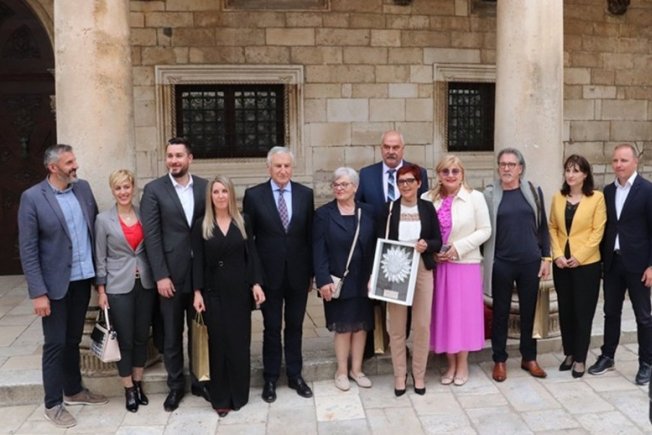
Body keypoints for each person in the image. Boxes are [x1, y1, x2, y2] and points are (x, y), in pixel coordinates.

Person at [18, 144, 107, 429]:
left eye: (74, 160)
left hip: (82, 279)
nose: (75, 166)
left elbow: (94, 232)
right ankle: (53, 404)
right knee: (55, 343)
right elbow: (28, 249)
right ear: (53, 167)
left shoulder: (83, 189)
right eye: (69, 162)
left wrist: (100, 280)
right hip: (54, 286)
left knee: (72, 340)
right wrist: (38, 293)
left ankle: (74, 390)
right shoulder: (32, 198)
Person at [140, 137, 209, 411]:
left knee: (200, 330)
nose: (174, 161)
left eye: (179, 155)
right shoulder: (154, 190)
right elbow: (151, 236)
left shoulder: (204, 187)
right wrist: (160, 275)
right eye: (170, 156)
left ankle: (200, 381)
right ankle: (175, 385)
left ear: (190, 158)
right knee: (171, 333)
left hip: (199, 276)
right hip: (170, 275)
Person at [243, 146, 315, 403]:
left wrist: (312, 274)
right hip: (268, 276)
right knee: (272, 327)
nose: (283, 170)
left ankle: (295, 375)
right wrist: (255, 279)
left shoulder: (305, 194)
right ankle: (271, 378)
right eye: (278, 166)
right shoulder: (254, 196)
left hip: (298, 274)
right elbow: (249, 242)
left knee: (295, 326)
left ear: (292, 168)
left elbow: (310, 237)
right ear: (269, 168)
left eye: (287, 166)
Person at [192, 176, 266, 417]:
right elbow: (198, 261)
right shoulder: (202, 224)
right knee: (218, 344)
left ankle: (239, 395)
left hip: (239, 292)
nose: (220, 196)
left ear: (231, 194)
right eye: (216, 192)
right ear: (210, 196)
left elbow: (251, 255)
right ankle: (221, 398)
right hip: (213, 292)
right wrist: (197, 292)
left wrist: (256, 283)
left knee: (239, 343)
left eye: (224, 191)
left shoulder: (243, 221)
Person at [356, 130, 429, 356]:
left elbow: (424, 207)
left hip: (407, 249)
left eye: (395, 147)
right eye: (387, 147)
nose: (391, 151)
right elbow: (359, 207)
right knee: (373, 295)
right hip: (375, 245)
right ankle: (374, 342)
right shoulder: (366, 174)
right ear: (381, 149)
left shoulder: (418, 173)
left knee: (404, 299)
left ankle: (400, 343)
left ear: (403, 149)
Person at [483, 148, 551, 382]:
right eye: (502, 164)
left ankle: (529, 357)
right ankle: (499, 360)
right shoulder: (489, 194)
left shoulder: (533, 192)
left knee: (529, 312)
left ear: (520, 168)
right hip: (502, 263)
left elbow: (543, 227)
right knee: (500, 313)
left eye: (511, 164)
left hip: (530, 262)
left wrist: (546, 257)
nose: (506, 168)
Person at [423, 155, 491, 386]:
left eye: (455, 171)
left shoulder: (475, 198)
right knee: (444, 316)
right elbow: (422, 230)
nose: (450, 175)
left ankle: (462, 365)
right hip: (437, 266)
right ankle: (450, 364)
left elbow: (485, 230)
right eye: (445, 171)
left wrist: (458, 248)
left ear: (462, 174)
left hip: (464, 264)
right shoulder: (427, 198)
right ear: (438, 175)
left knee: (462, 317)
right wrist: (433, 252)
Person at [588, 143, 652, 385]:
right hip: (613, 263)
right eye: (615, 160)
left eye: (624, 160)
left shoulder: (647, 190)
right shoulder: (607, 191)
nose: (618, 165)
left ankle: (646, 363)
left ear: (635, 162)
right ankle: (607, 356)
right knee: (610, 312)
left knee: (643, 316)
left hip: (639, 265)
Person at [95, 170, 156, 412]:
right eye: (118, 188)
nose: (123, 192)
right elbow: (100, 257)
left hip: (145, 284)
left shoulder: (143, 214)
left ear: (133, 187)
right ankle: (128, 388)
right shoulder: (103, 220)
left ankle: (138, 383)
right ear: (113, 191)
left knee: (141, 336)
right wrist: (101, 290)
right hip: (118, 286)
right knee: (125, 339)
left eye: (127, 187)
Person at [313, 167, 376, 391]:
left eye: (344, 184)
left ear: (355, 188)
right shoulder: (323, 214)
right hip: (337, 280)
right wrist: (323, 280)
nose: (339, 188)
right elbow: (318, 250)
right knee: (343, 327)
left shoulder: (368, 212)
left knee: (361, 326)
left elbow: (375, 246)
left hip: (364, 280)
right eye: (336, 185)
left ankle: (356, 370)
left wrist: (375, 275)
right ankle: (341, 371)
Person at [382, 164, 441, 396]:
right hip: (396, 270)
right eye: (401, 181)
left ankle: (419, 374)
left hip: (422, 269)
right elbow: (380, 242)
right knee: (396, 326)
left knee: (422, 325)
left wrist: (427, 244)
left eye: (410, 181)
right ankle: (399, 375)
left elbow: (437, 240)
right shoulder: (389, 209)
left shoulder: (427, 208)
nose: (405, 185)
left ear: (419, 183)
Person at [549, 155, 606, 379]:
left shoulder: (597, 198)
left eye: (576, 170)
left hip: (587, 265)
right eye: (568, 170)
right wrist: (557, 254)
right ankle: (570, 353)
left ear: (585, 174)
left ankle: (581, 358)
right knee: (565, 310)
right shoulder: (558, 197)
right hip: (562, 264)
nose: (571, 175)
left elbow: (597, 231)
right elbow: (552, 227)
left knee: (583, 312)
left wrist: (580, 256)